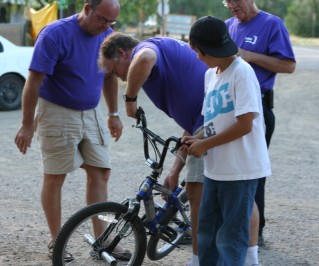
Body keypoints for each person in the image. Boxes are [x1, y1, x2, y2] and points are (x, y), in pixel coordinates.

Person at [98, 32, 262, 266]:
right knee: (236, 194)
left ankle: (203, 259)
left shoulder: (146, 50)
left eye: (115, 70)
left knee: (203, 191)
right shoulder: (167, 56)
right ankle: (244, 257)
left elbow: (143, 59)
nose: (119, 76)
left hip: (212, 125)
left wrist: (130, 98)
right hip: (201, 126)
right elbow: (190, 125)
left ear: (124, 53)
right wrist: (175, 169)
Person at [14, 0, 127, 262]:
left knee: (101, 172)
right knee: (55, 177)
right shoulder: (55, 34)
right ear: (87, 8)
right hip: (57, 110)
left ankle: (102, 240)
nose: (107, 27)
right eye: (102, 20)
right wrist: (27, 124)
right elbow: (34, 81)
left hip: (92, 111)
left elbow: (109, 77)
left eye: (112, 22)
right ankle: (58, 241)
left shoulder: (108, 37)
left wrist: (113, 114)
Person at [184, 15, 271, 266]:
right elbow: (213, 120)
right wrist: (195, 138)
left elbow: (245, 124)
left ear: (201, 48)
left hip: (240, 169)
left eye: (197, 51)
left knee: (230, 237)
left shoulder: (241, 73)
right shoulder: (211, 75)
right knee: (208, 232)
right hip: (216, 169)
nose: (197, 56)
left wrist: (204, 145)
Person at [223, 0, 296, 245]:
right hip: (226, 106)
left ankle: (255, 231)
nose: (231, 5)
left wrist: (248, 56)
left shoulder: (271, 24)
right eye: (227, 1)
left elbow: (289, 65)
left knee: (252, 170)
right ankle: (227, 225)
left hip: (256, 106)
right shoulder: (227, 27)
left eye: (235, 0)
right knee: (224, 166)